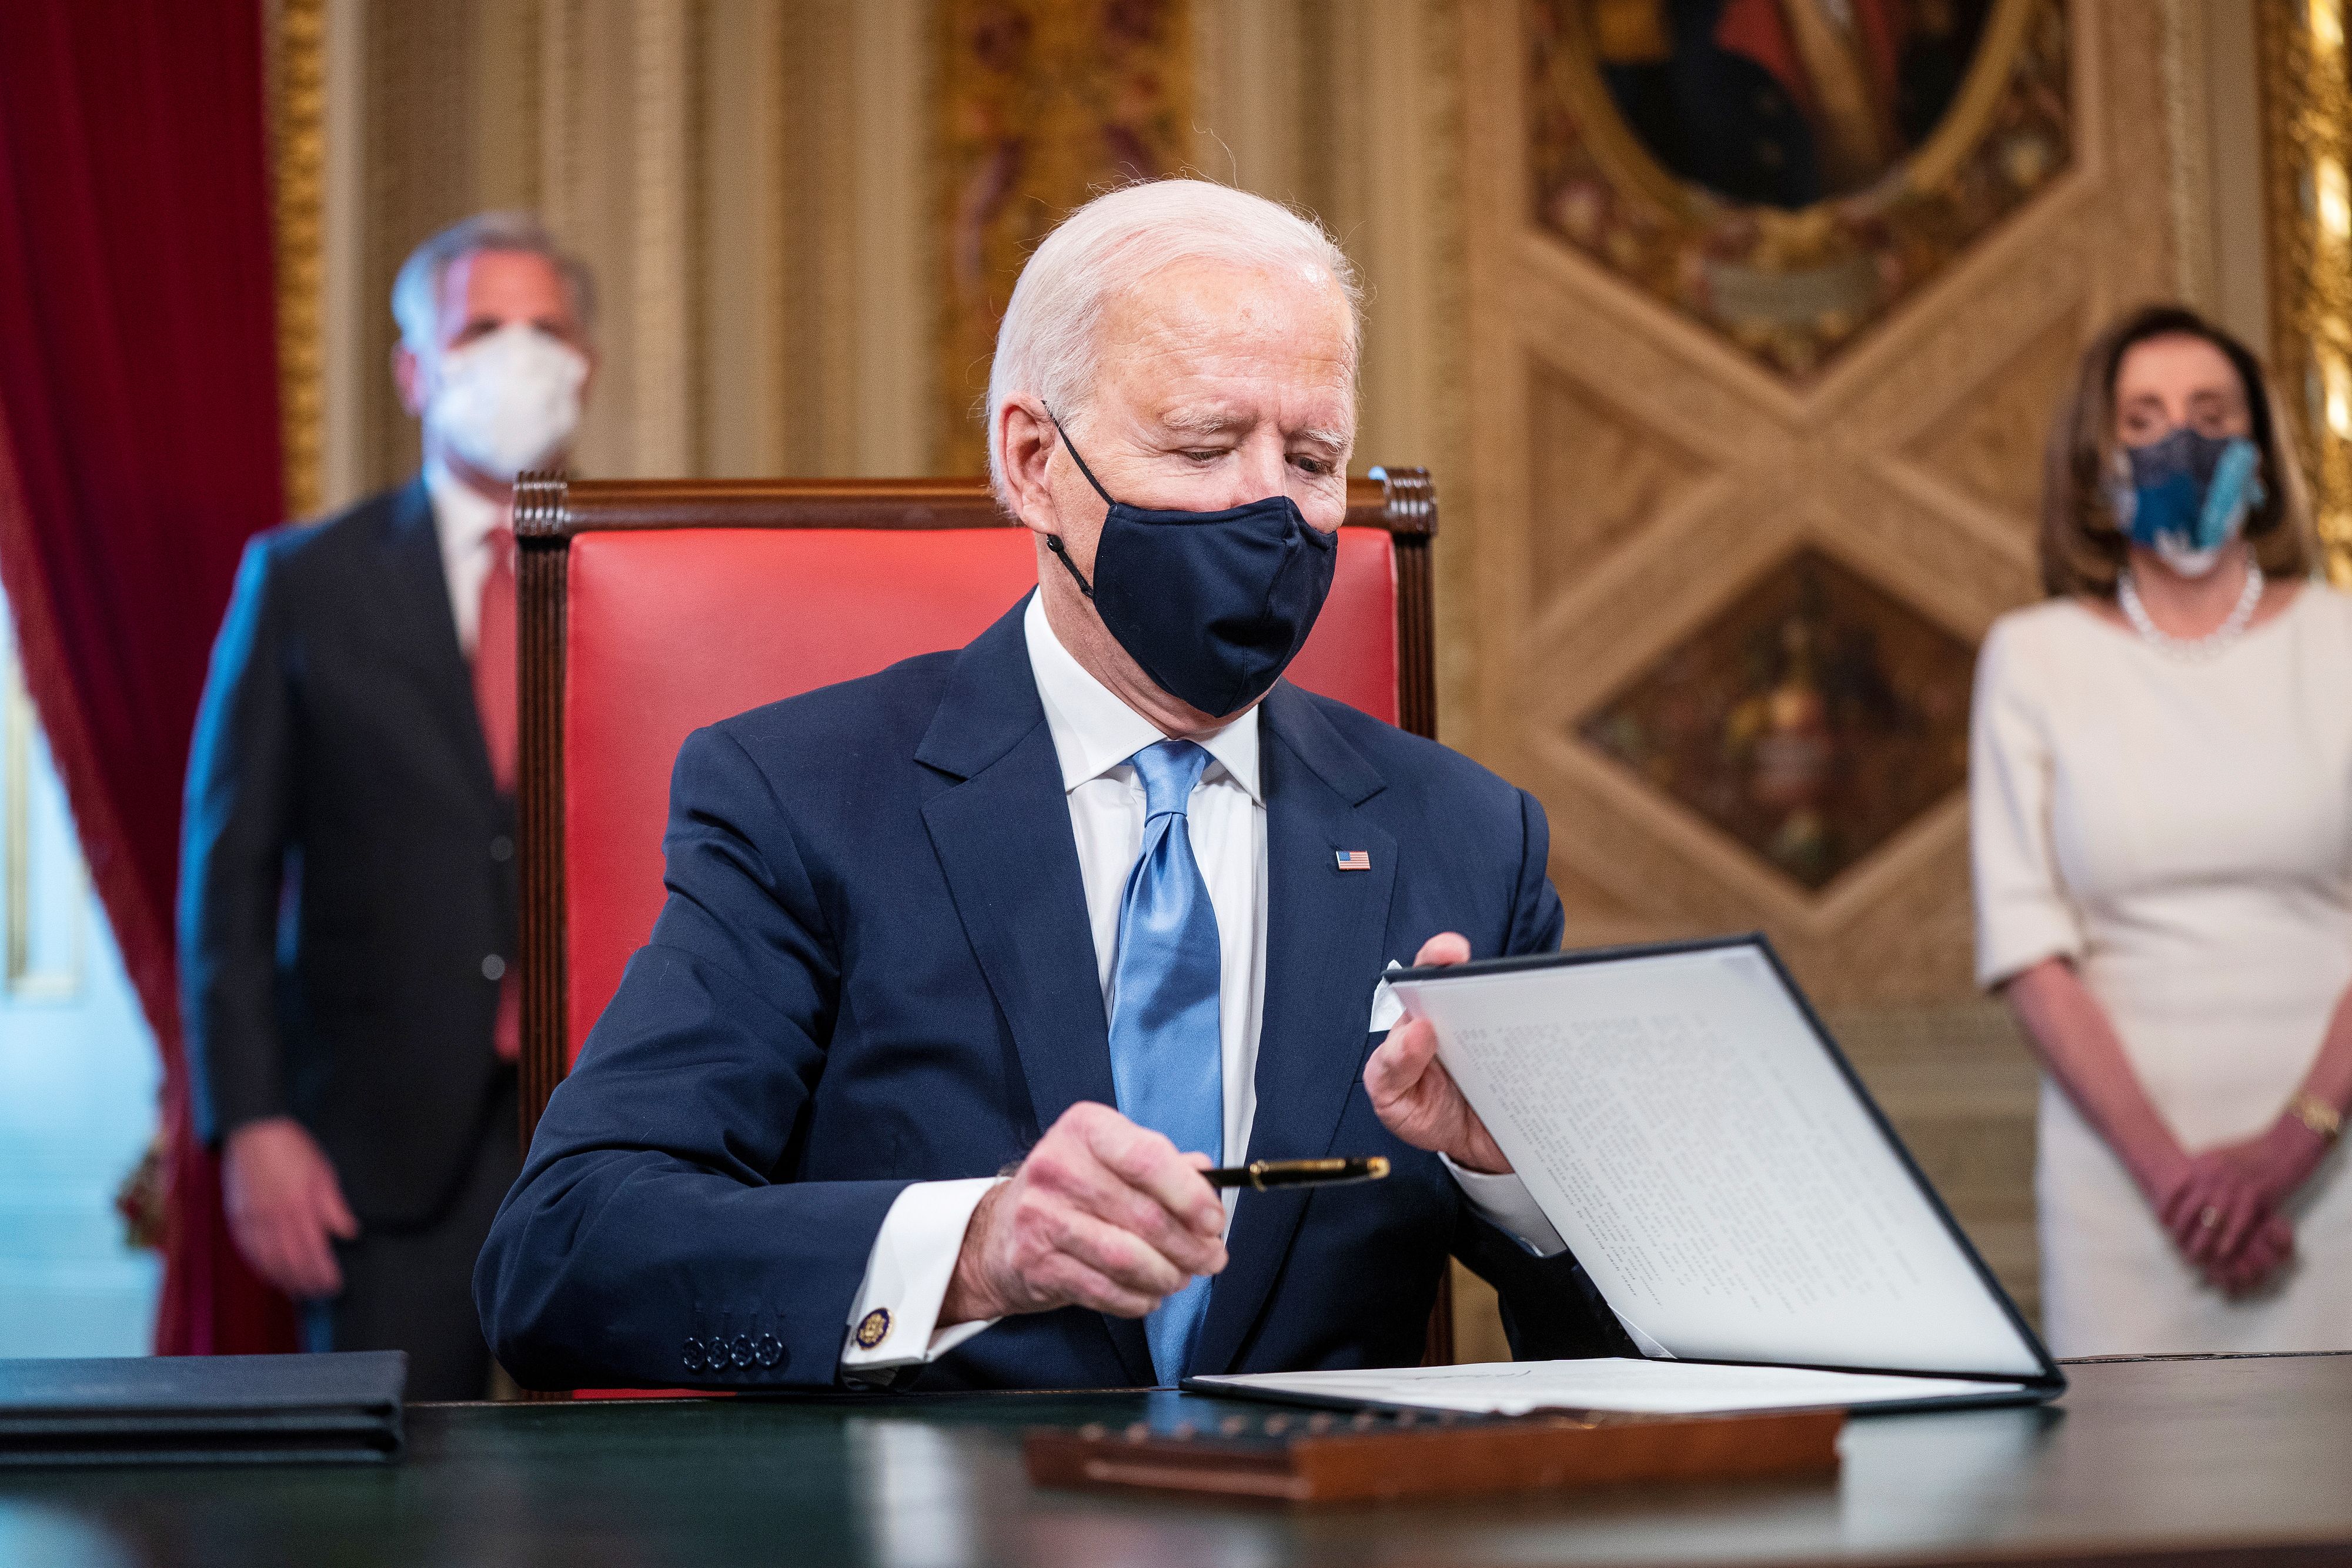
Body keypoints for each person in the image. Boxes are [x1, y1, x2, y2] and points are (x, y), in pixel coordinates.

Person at [475, 180, 1625, 1391]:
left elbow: (1657, 1353)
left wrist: (1518, 1185)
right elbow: (562, 1255)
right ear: (1033, 463)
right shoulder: (801, 800)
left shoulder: (1467, 838)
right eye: (1200, 447)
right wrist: (968, 1253)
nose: (1270, 509)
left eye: (1312, 458)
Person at [180, 212, 597, 1398]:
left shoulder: (650, 567)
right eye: (481, 327)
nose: (517, 354)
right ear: (416, 368)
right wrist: (250, 1119)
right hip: (383, 1148)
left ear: (587, 364)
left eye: (545, 327)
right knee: (396, 1497)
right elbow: (231, 872)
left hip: (611, 1131)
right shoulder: (304, 582)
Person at [1970, 303, 2352, 1356]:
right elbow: (2028, 949)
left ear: (2261, 450)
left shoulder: (2342, 641)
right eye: (2142, 420)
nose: (2178, 439)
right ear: (2097, 463)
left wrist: (2291, 1148)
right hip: (2125, 1191)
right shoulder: (2032, 656)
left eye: (2210, 411)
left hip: (2339, 1159)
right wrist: (2179, 1181)